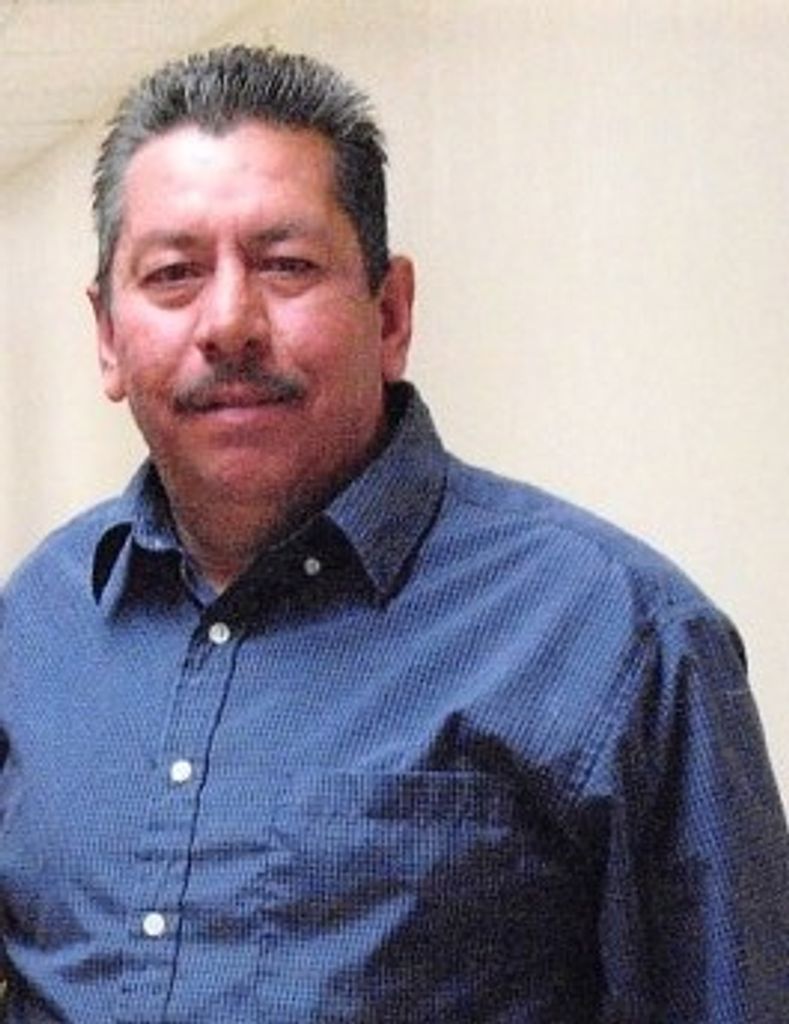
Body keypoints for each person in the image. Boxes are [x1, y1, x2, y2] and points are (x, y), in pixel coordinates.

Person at [0, 44, 786, 1024]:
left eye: (286, 265)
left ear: (392, 313)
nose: (229, 322)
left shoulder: (618, 640)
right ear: (109, 337)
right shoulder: (38, 623)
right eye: (173, 274)